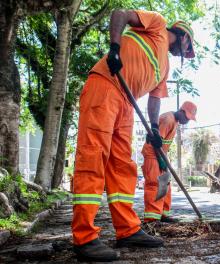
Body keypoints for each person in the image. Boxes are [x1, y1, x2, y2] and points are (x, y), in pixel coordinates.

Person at [71, 9, 195, 262]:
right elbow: (120, 14)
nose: (184, 54)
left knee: (122, 166)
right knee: (93, 158)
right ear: (184, 37)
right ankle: (84, 237)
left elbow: (155, 99)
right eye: (188, 49)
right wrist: (114, 48)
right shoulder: (158, 24)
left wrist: (153, 128)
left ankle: (127, 229)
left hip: (127, 103)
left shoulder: (165, 69)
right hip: (105, 85)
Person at [142, 102, 197, 223]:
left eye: (189, 119)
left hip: (160, 156)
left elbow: (164, 145)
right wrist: (161, 160)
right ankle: (151, 219)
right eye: (187, 117)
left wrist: (165, 162)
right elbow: (157, 142)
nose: (187, 121)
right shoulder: (168, 119)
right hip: (152, 155)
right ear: (181, 111)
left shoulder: (175, 122)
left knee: (165, 184)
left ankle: (163, 214)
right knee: (154, 186)